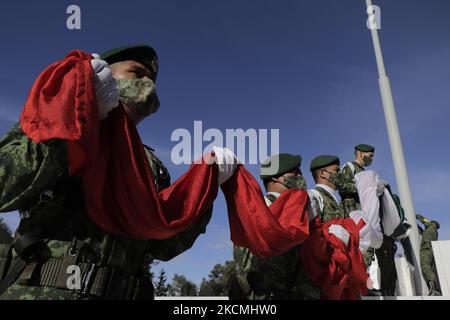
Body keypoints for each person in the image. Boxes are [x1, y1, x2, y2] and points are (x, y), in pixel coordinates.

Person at [0, 45, 221, 300]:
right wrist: (73, 122)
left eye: (152, 80)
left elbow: (162, 244)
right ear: (106, 75)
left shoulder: (150, 166)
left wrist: (205, 191)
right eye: (137, 73)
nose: (147, 84)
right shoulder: (48, 123)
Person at [229, 153, 320, 300]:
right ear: (276, 178)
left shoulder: (301, 209)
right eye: (295, 173)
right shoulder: (260, 209)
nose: (301, 177)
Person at [308, 155, 346, 221]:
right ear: (322, 173)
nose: (340, 174)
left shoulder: (331, 197)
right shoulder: (315, 196)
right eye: (336, 170)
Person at [417, 214, 441, 296]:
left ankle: (434, 289)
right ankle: (433, 289)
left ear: (433, 224)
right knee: (428, 268)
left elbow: (423, 219)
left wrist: (414, 216)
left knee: (425, 267)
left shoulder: (430, 225)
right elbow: (423, 233)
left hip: (426, 249)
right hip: (429, 249)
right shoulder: (434, 232)